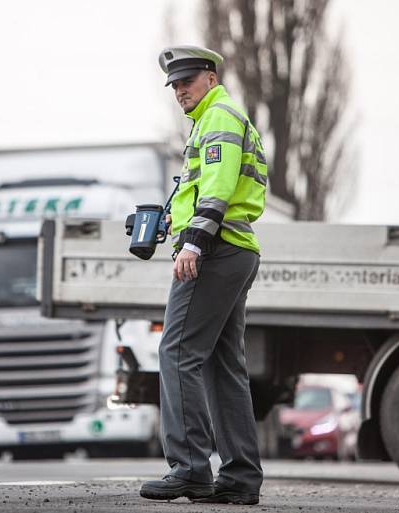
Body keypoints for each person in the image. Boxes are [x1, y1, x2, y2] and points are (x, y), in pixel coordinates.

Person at [139, 45, 268, 506]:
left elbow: (217, 185)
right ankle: (239, 479)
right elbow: (216, 186)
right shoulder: (220, 119)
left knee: (177, 352)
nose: (179, 91)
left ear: (210, 78)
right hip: (235, 249)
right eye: (174, 85)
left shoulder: (218, 118)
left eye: (186, 81)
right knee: (221, 367)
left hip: (214, 251)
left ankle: (190, 469)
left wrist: (194, 238)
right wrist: (179, 219)